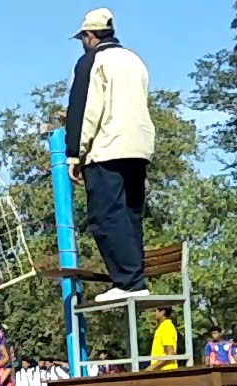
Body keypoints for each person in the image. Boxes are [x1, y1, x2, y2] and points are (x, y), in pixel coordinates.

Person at [66, 7, 155, 303]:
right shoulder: (135, 60)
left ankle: (126, 282)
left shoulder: (92, 62)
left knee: (104, 216)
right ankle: (135, 279)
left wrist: (74, 153)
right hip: (139, 147)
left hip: (107, 148)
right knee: (130, 215)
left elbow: (86, 109)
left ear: (89, 36)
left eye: (83, 38)